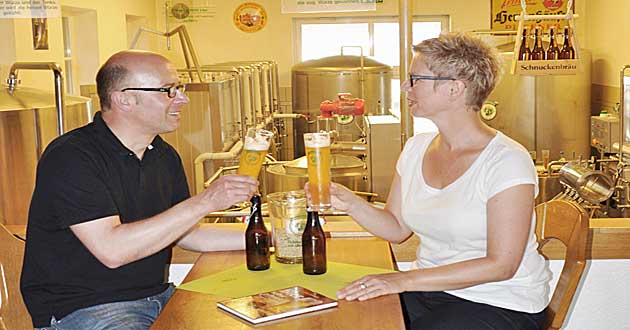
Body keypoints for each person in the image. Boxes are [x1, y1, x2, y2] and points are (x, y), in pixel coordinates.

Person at [311, 33, 551, 330]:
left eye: (415, 79)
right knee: (347, 317)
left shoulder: (506, 160)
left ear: (454, 88)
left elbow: (502, 265)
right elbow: (396, 229)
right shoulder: (416, 148)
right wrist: (348, 202)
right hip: (431, 291)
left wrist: (403, 279)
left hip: (499, 302)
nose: (404, 87)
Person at [20, 50, 258, 330]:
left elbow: (189, 234)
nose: (183, 99)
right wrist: (205, 202)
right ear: (125, 98)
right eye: (168, 90)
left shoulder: (164, 155)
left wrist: (275, 236)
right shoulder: (71, 157)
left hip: (158, 296)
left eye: (179, 89)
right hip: (85, 308)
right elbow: (112, 250)